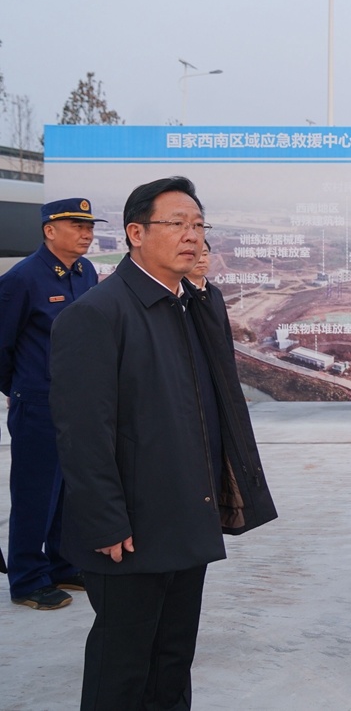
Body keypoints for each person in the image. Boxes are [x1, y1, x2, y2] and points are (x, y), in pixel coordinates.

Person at [50, 176, 277, 711]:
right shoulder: (96, 315)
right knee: (122, 668)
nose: (192, 236)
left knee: (173, 660)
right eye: (177, 224)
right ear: (136, 233)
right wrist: (106, 521)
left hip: (187, 516)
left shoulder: (192, 306)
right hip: (129, 530)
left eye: (198, 225)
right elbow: (83, 433)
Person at [0, 198, 103, 610]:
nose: (86, 234)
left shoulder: (85, 271)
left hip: (79, 399)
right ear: (49, 230)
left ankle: (63, 564)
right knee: (36, 492)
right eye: (77, 225)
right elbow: (2, 345)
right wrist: (21, 389)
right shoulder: (22, 278)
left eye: (89, 226)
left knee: (70, 490)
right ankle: (28, 578)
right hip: (39, 401)